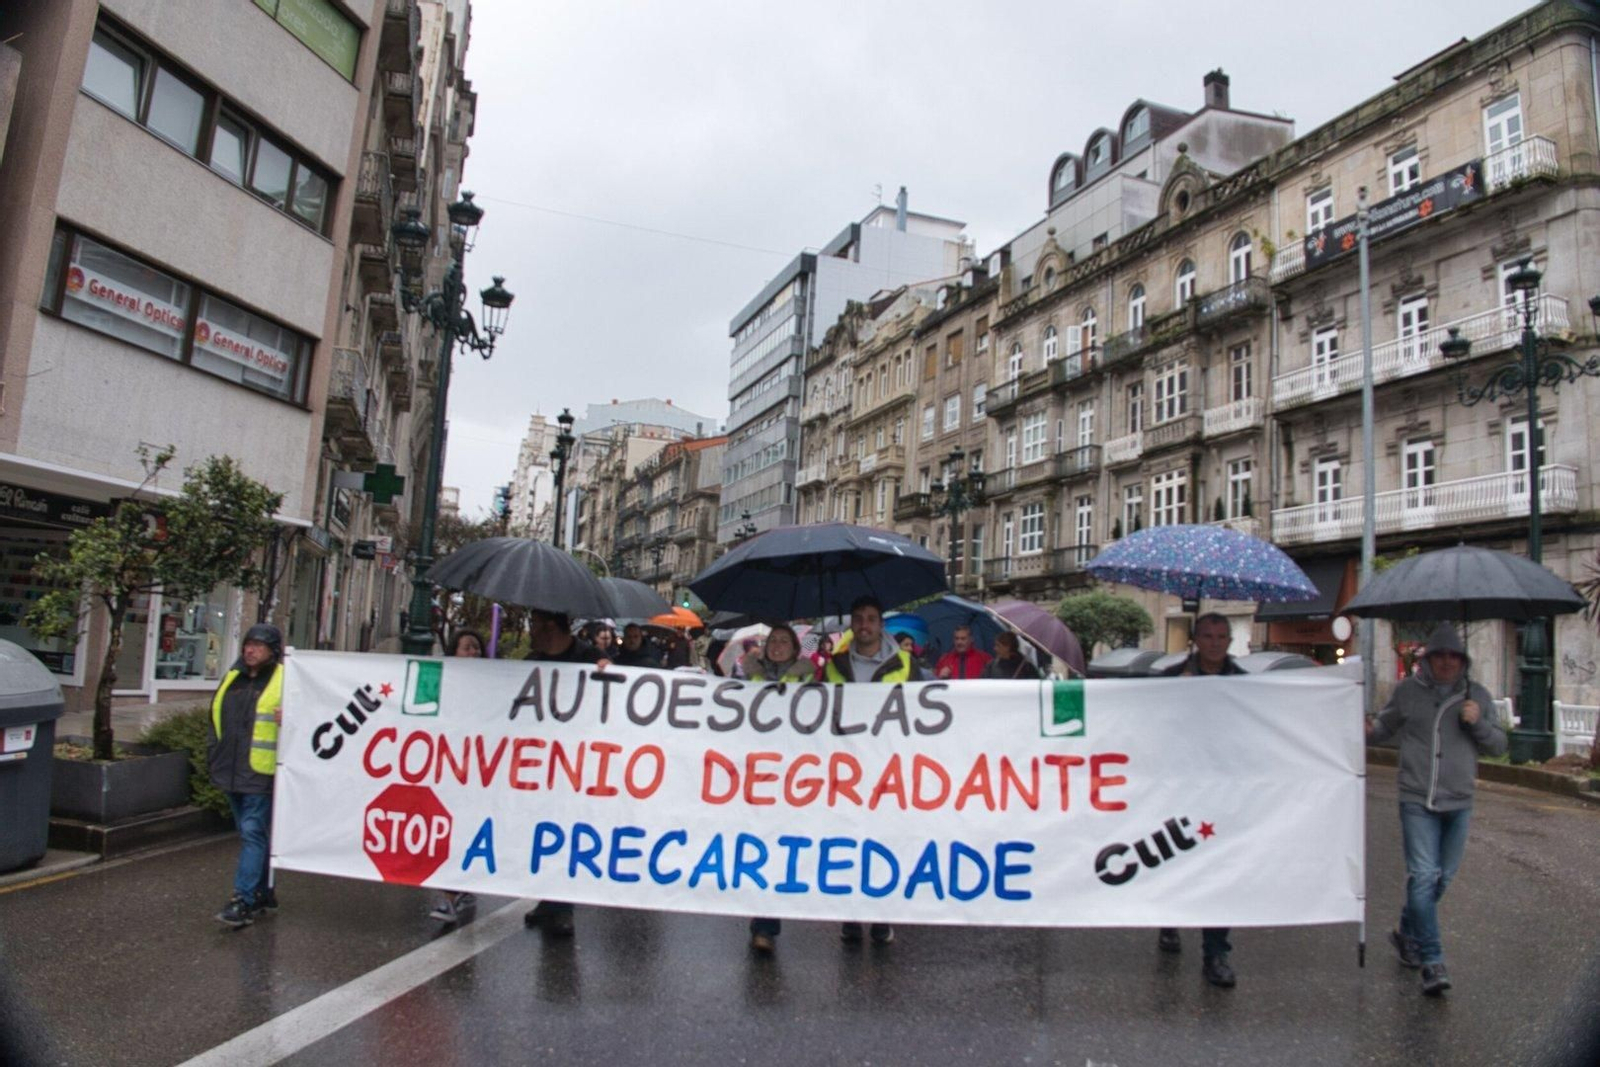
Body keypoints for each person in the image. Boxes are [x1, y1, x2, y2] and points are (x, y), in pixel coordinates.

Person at [1368, 623, 1505, 996]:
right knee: (1424, 876)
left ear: (1462, 660)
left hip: (1458, 801)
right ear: (1428, 659)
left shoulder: (1476, 695)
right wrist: (1361, 728)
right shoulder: (1408, 692)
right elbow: (1383, 727)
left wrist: (1478, 724)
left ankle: (1406, 932)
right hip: (1417, 799)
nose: (1446, 662)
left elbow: (1497, 746)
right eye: (1439, 655)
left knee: (1440, 879)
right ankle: (1433, 961)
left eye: (1453, 656)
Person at [824, 597, 926, 946]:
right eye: (858, 619)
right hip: (847, 770)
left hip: (888, 770)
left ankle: (881, 916)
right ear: (852, 624)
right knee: (847, 844)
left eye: (870, 619)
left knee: (884, 845)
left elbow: (924, 714)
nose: (864, 625)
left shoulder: (906, 664)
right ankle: (851, 916)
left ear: (881, 625)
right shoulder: (833, 664)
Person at [1156, 612, 1244, 988]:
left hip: (1223, 792)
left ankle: (1216, 952)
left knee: (1219, 870)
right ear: (1195, 639)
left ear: (1229, 640)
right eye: (1207, 635)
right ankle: (1168, 919)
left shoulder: (1246, 685)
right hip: (1179, 787)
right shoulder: (1171, 679)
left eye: (1221, 635)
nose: (1214, 642)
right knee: (1175, 859)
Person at [522, 610, 604, 936]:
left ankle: (563, 907)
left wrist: (610, 673)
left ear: (551, 627)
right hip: (540, 765)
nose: (530, 632)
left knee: (568, 832)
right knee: (543, 833)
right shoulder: (532, 660)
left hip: (578, 766)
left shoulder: (591, 658)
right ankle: (548, 900)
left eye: (534, 625)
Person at [740, 624, 818, 953]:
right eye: (773, 641)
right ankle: (763, 926)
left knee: (784, 848)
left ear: (795, 648)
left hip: (795, 775)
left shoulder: (810, 678)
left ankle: (771, 921)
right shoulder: (749, 674)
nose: (778, 646)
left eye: (784, 641)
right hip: (757, 773)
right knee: (760, 846)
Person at [209, 624, 284, 929]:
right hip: (230, 769)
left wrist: (290, 717)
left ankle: (243, 900)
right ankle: (264, 891)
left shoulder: (283, 680)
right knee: (252, 834)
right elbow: (215, 717)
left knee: (252, 832)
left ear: (272, 651)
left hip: (260, 772)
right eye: (248, 644)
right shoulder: (233, 677)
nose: (250, 650)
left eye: (258, 645)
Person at [430, 630, 486, 924]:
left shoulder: (492, 685)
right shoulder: (438, 681)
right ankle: (453, 893)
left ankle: (456, 892)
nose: (472, 653)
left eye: (476, 648)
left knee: (467, 830)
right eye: (466, 648)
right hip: (447, 771)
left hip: (477, 774)